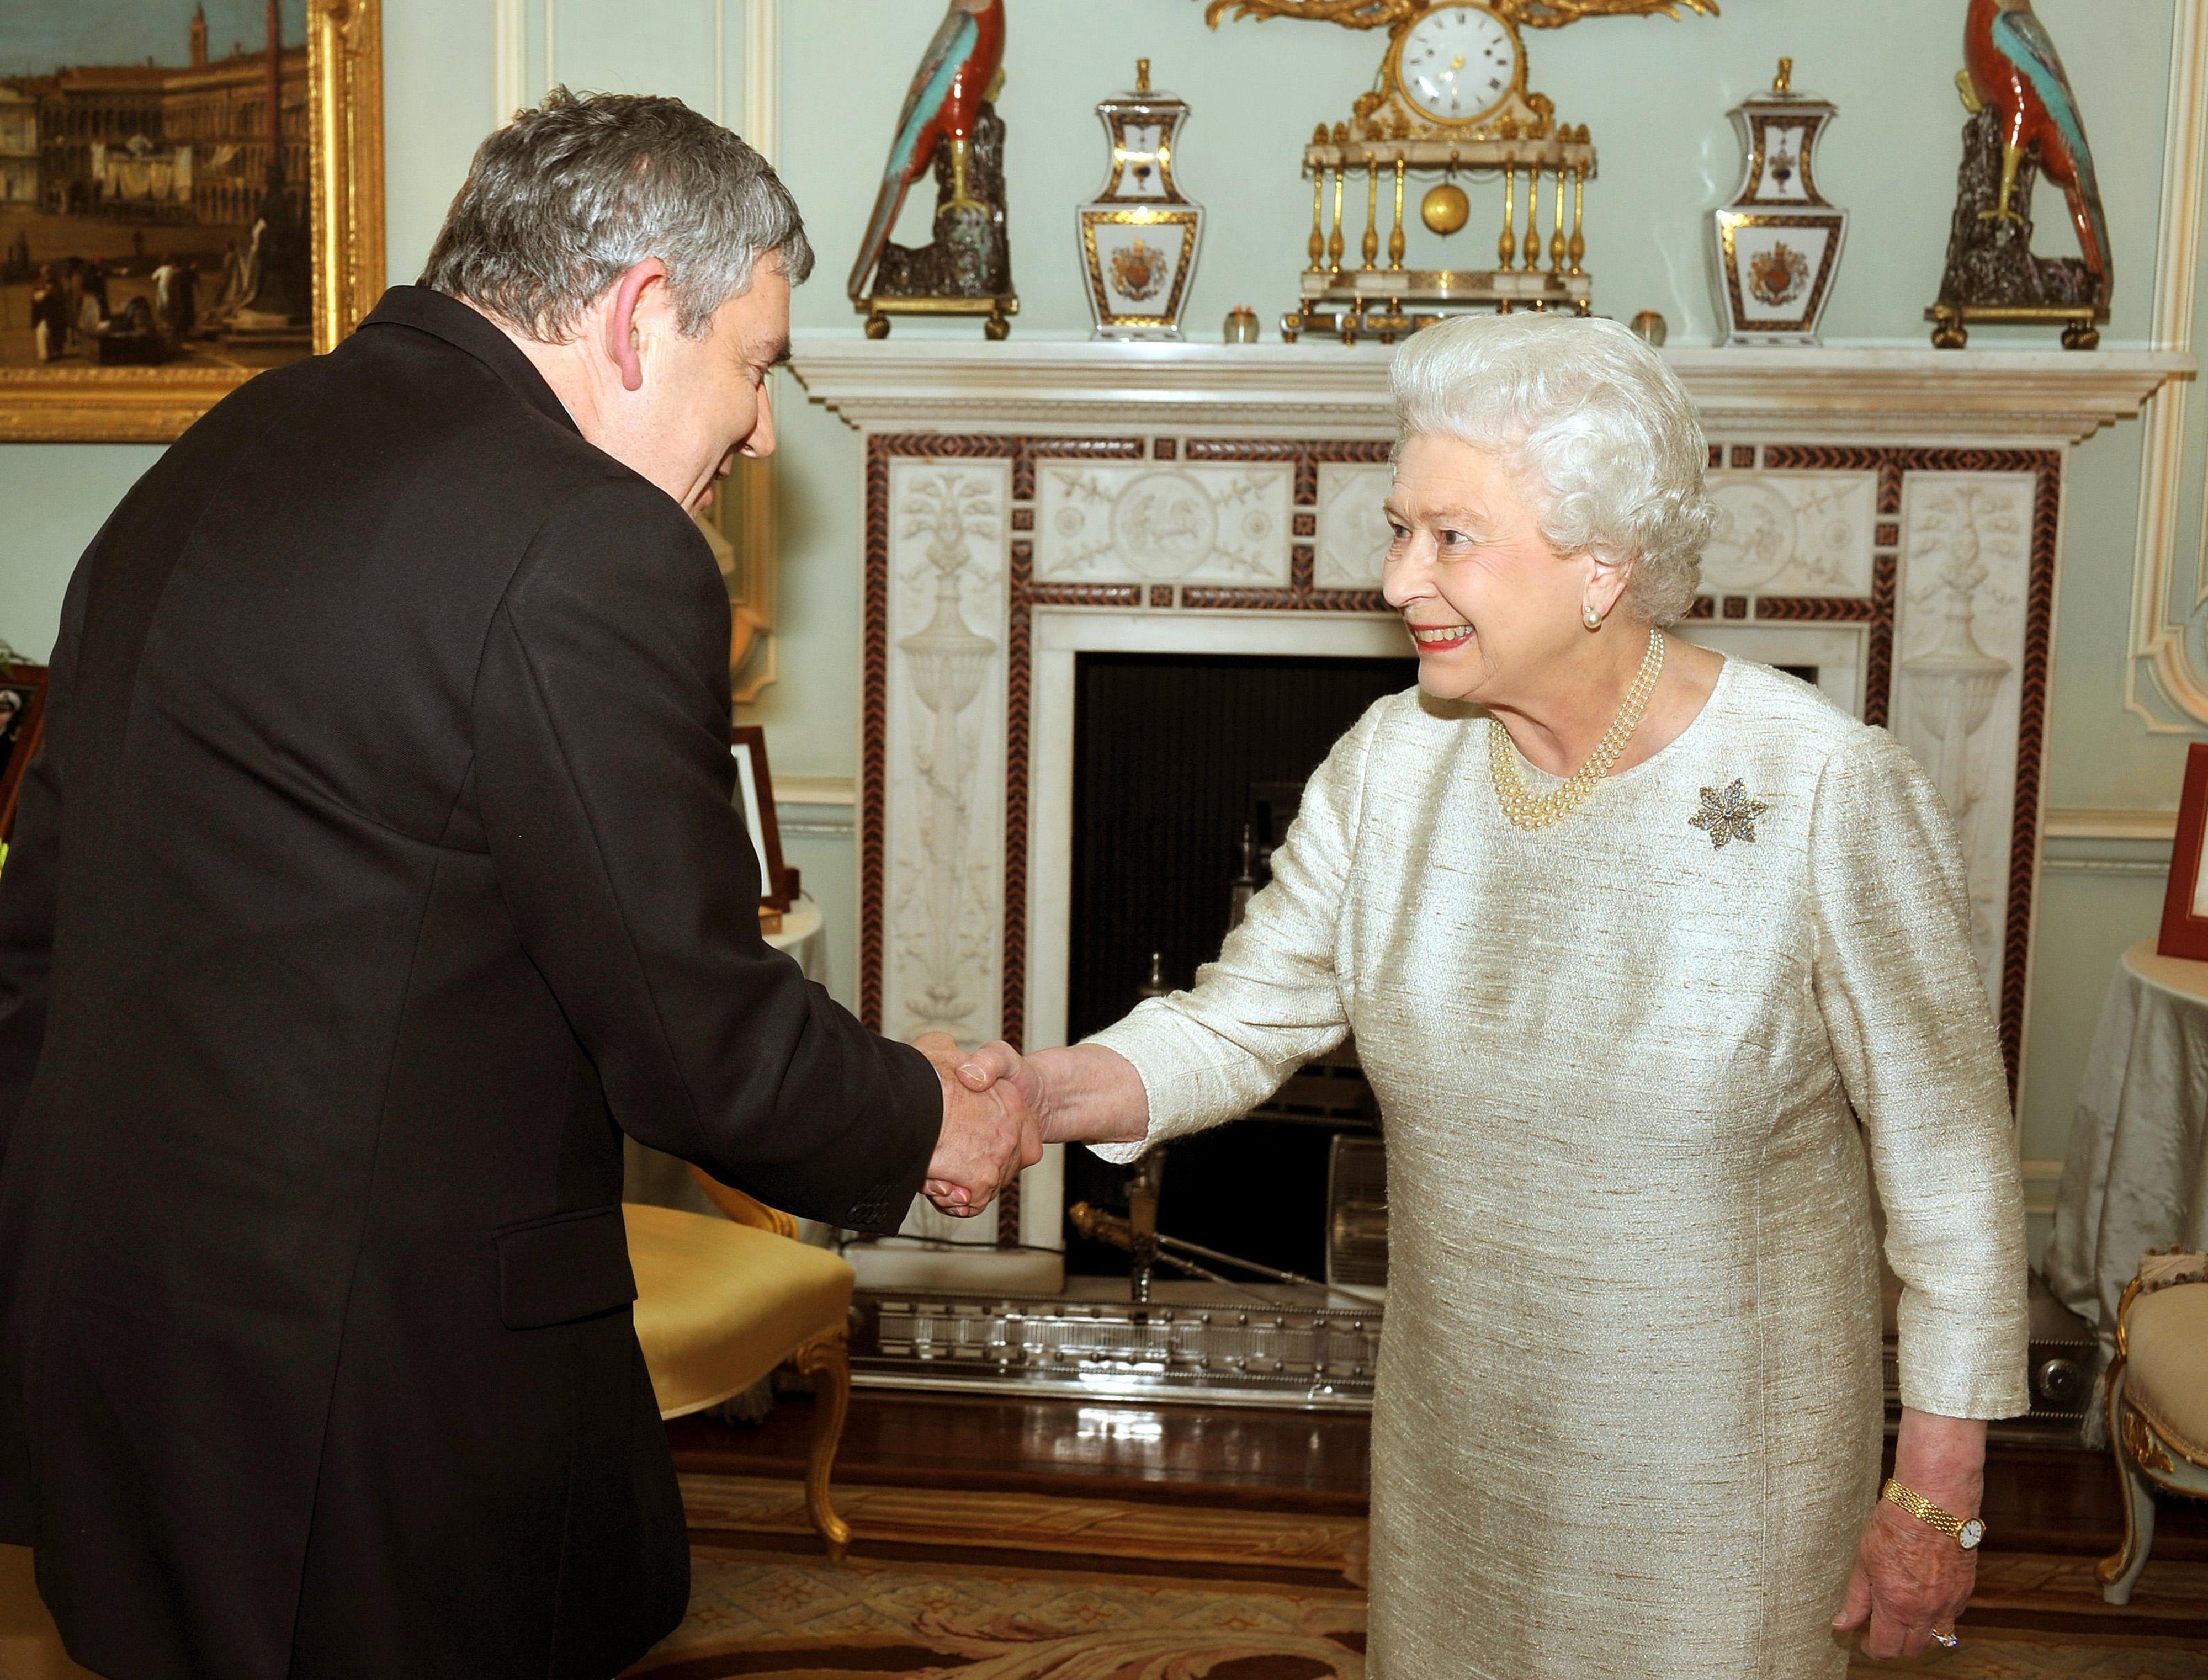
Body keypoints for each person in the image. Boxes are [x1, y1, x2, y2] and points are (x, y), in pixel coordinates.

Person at [0, 89, 1037, 1678]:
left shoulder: (217, 452)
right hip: (369, 1414)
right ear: (637, 318)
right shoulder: (585, 543)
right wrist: (932, 1112)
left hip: (121, 1343)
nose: (765, 430)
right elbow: (697, 1036)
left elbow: (39, 947)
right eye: (756, 364)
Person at [953, 313, 2029, 1679]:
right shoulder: (1393, 765)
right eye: (1400, 526)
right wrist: (1033, 1097)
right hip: (1457, 1459)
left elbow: (1951, 1163)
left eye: (1448, 537)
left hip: (1719, 1487)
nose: (1398, 574)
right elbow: (1240, 1016)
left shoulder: (1820, 788)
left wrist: (1936, 1489)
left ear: (1603, 566)